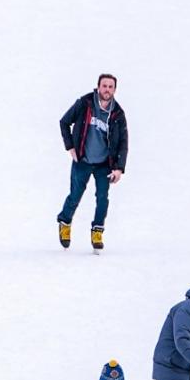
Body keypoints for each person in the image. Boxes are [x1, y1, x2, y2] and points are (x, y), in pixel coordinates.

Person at [57, 73, 126, 251]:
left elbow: (123, 143)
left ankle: (97, 231)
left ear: (115, 90)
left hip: (104, 164)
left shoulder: (118, 113)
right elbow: (64, 122)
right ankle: (65, 221)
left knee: (102, 198)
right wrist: (70, 147)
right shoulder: (85, 103)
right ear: (98, 86)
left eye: (111, 87)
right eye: (104, 86)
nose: (107, 90)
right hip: (83, 160)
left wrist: (119, 168)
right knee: (75, 196)